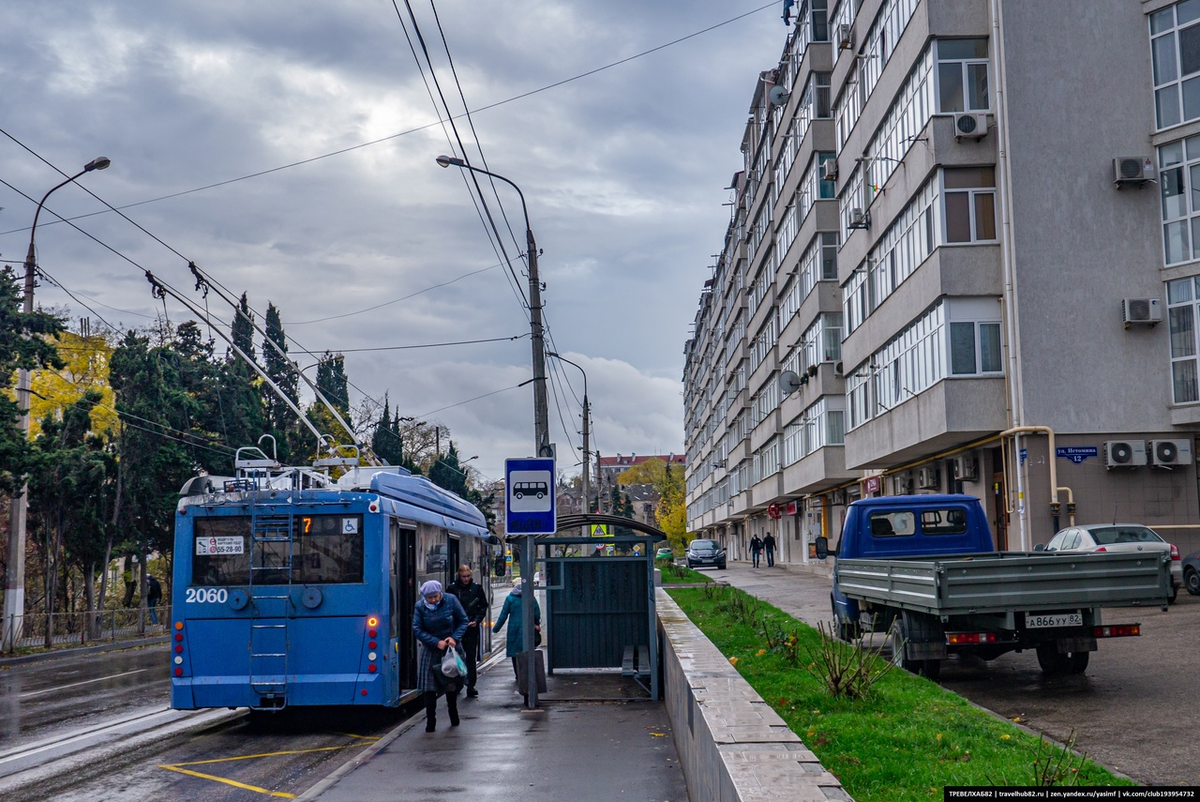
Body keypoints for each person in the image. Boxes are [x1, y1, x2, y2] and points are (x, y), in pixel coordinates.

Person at [411, 580, 468, 732]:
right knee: (430, 689)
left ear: (440, 593)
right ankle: (430, 722)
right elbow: (417, 629)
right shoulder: (419, 607)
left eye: (435, 596)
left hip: (450, 647)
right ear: (424, 597)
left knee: (451, 685)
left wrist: (454, 638)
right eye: (430, 598)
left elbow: (463, 621)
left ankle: (454, 717)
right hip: (431, 649)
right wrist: (436, 642)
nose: (434, 600)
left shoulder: (451, 600)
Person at [445, 564, 487, 698]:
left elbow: (483, 606)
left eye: (468, 576)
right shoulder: (452, 589)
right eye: (463, 577)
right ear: (459, 576)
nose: (466, 579)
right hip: (457, 628)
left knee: (470, 656)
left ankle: (470, 684)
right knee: (457, 655)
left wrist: (477, 620)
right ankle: (458, 683)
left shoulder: (476, 589)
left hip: (471, 626)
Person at [492, 580, 541, 688]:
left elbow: (503, 616)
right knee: (528, 651)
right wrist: (536, 623)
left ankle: (518, 674)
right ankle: (527, 673)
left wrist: (495, 629)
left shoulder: (510, 598)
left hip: (514, 629)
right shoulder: (530, 598)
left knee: (515, 653)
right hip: (528, 628)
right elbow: (537, 612)